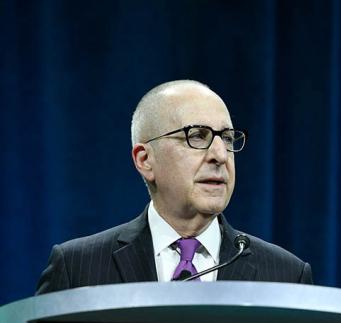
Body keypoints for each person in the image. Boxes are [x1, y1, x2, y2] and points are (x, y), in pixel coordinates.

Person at [36, 80, 311, 294]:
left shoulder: (286, 276)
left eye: (227, 138)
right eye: (197, 136)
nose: (220, 155)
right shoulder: (77, 269)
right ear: (145, 160)